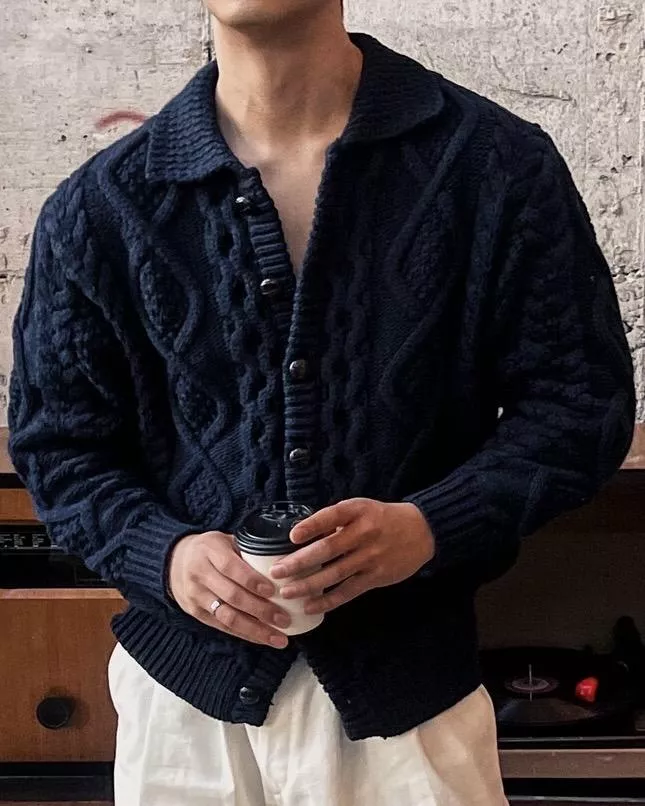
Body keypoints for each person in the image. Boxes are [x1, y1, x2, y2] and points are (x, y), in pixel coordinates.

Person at [8, 0, 635, 804]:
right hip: (183, 717)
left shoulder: (493, 166)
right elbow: (59, 447)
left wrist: (430, 525)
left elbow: (580, 407)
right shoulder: (101, 205)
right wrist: (164, 555)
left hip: (410, 707)